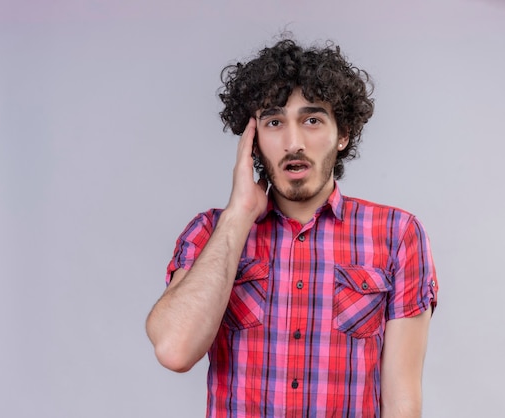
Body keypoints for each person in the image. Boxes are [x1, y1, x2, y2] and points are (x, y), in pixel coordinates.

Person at [146, 37, 439, 418]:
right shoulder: (210, 233)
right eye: (273, 122)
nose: (293, 142)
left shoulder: (397, 235)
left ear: (343, 132)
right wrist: (239, 214)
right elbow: (174, 348)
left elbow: (402, 401)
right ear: (253, 141)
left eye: (312, 120)